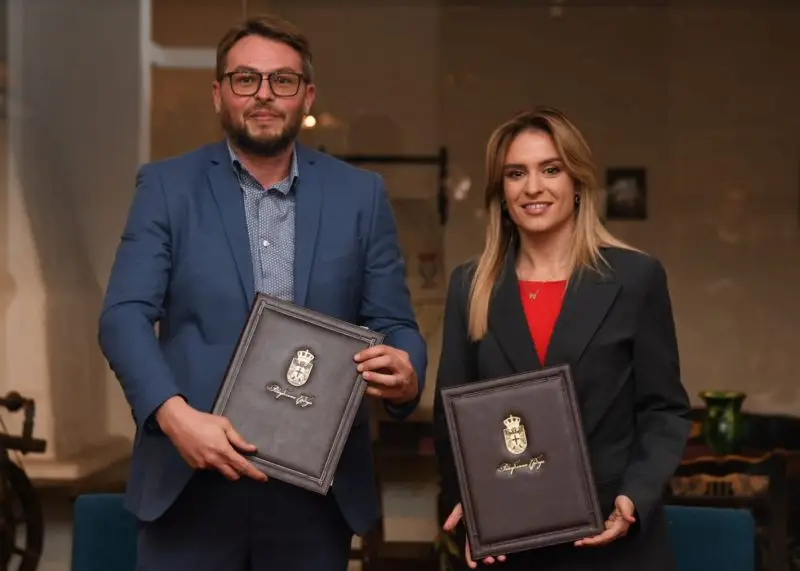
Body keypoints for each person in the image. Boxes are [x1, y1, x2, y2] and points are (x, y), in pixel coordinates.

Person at [98, 14, 426, 571]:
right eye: (246, 79)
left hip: (314, 493)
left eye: (283, 80)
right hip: (189, 481)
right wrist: (174, 416)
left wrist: (407, 370)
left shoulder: (360, 195)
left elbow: (395, 323)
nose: (264, 94)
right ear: (219, 94)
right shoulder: (167, 187)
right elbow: (123, 316)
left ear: (307, 96)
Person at [433, 106, 691, 570]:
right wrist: (468, 507)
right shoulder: (470, 286)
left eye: (551, 169)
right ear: (501, 192)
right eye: (516, 173)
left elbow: (664, 409)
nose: (533, 187)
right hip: (512, 543)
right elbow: (451, 416)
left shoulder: (636, 278)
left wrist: (635, 496)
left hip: (613, 538)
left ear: (577, 184)